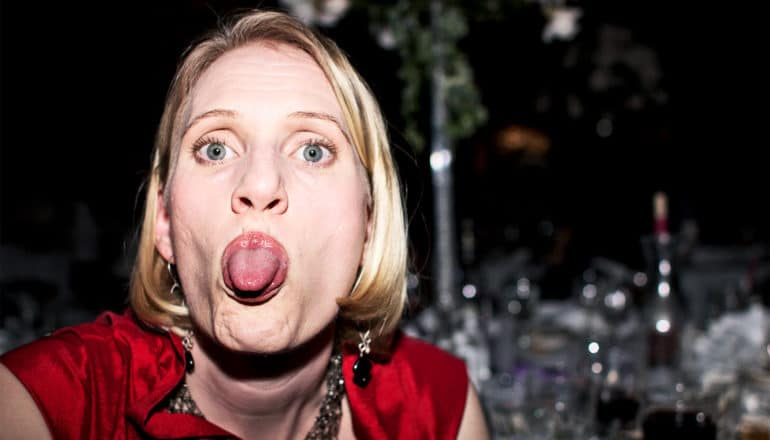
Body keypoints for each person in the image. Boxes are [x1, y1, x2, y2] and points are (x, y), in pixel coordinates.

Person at [0, 9, 489, 440]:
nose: (259, 182)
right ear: (166, 223)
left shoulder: (440, 411)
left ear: (368, 225)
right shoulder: (35, 408)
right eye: (215, 148)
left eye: (313, 150)